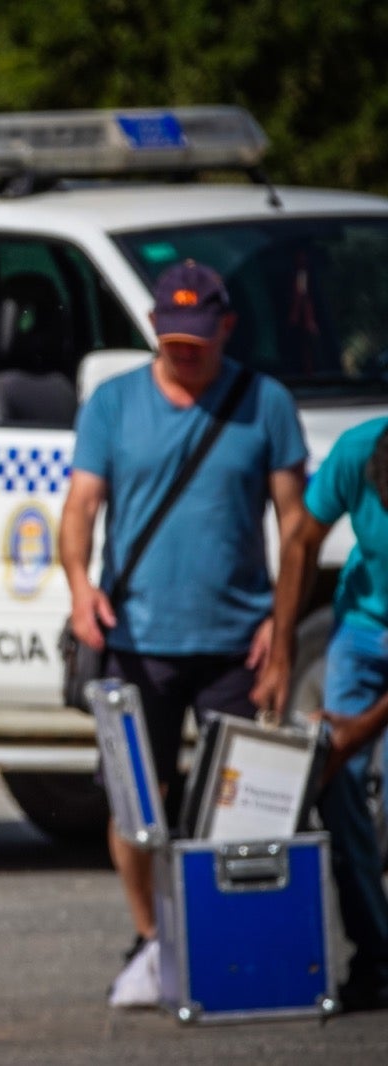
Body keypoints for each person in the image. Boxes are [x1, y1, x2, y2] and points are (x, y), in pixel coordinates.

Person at [60, 260, 307, 1009]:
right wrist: (80, 586)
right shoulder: (113, 403)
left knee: (240, 805)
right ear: (154, 331)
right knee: (137, 804)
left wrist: (283, 633)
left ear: (226, 327)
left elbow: (294, 529)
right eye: (172, 340)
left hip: (237, 644)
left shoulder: (265, 402)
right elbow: (80, 509)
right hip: (136, 639)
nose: (185, 352)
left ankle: (228, 940)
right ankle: (151, 938)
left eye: (198, 339)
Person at [255, 416, 388, 1011]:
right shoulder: (355, 450)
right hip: (362, 626)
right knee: (339, 787)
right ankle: (375, 956)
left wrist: (366, 726)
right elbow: (302, 539)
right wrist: (281, 649)